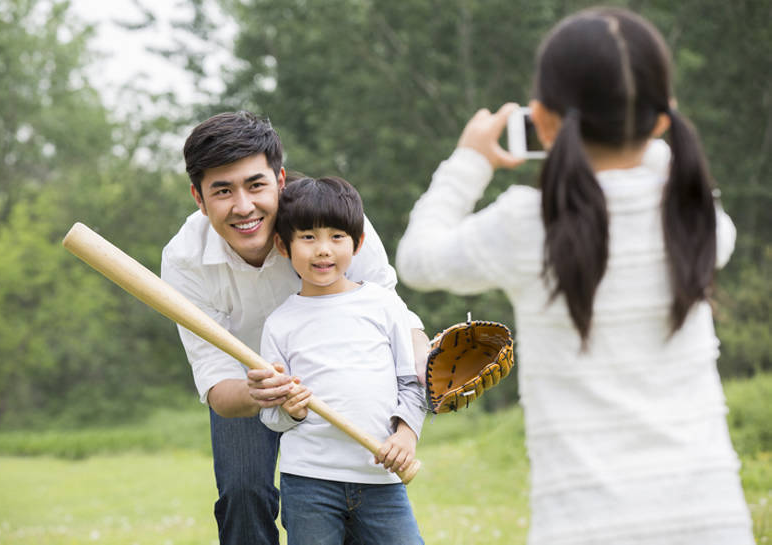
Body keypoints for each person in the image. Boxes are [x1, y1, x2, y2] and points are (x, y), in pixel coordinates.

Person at [396, 7, 754, 545]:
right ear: (663, 119)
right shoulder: (697, 216)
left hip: (583, 523)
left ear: (541, 120)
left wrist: (470, 160)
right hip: (712, 518)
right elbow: (660, 168)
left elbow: (418, 259)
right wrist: (650, 132)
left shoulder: (528, 224)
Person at [160, 111, 428, 545]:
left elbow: (392, 312)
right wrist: (260, 392)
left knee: (365, 499)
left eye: (256, 185)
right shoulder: (184, 262)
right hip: (251, 383)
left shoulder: (337, 225)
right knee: (244, 494)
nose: (243, 206)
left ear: (280, 180)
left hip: (343, 380)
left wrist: (427, 368)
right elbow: (216, 386)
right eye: (222, 191)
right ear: (198, 197)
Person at [259, 176, 425, 545]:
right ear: (283, 246)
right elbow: (271, 415)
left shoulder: (383, 305)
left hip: (381, 478)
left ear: (358, 243)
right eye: (308, 237)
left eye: (337, 237)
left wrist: (406, 433)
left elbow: (411, 383)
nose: (323, 250)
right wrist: (293, 411)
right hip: (309, 482)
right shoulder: (279, 324)